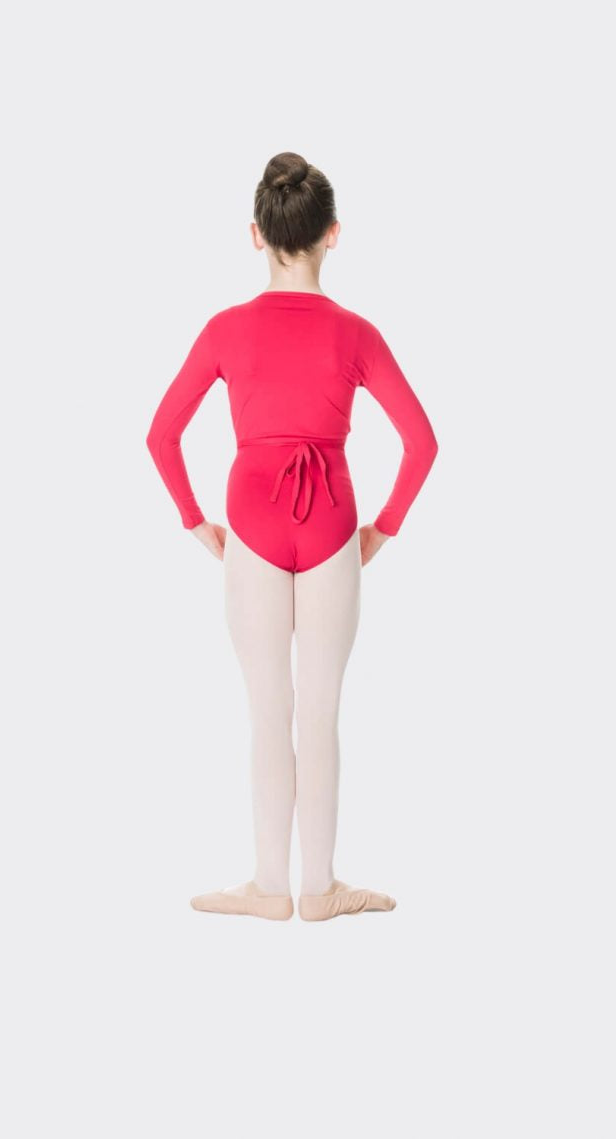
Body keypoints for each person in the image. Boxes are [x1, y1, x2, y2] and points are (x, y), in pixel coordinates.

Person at [146, 151, 439, 921]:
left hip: (251, 522)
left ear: (256, 234)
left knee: (268, 710)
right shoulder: (357, 334)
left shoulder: (225, 329)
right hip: (334, 522)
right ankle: (321, 888)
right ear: (332, 233)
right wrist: (382, 530)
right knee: (321, 711)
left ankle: (270, 886)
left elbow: (161, 434)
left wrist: (194, 520)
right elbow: (422, 442)